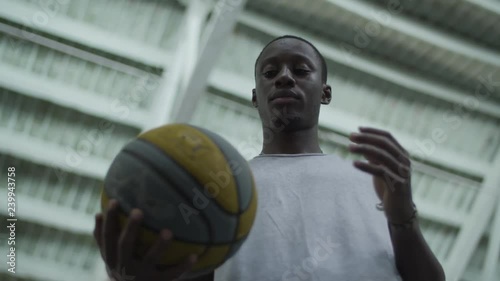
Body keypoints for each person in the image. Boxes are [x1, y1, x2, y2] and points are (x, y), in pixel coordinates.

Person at [94, 35, 446, 281]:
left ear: (325, 92)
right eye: (270, 72)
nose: (284, 78)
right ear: (255, 95)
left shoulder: (371, 182)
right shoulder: (221, 190)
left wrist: (402, 217)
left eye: (301, 70)